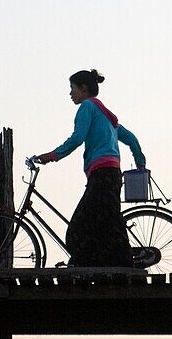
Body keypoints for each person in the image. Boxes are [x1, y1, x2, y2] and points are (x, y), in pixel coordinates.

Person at [33, 69, 146, 267]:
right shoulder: (106, 115)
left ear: (83, 89)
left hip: (101, 174)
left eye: (72, 88)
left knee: (79, 226)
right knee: (105, 222)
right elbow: (132, 140)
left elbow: (77, 138)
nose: (70, 93)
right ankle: (103, 263)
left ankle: (96, 264)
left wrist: (52, 156)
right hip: (111, 174)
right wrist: (140, 163)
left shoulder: (87, 107)